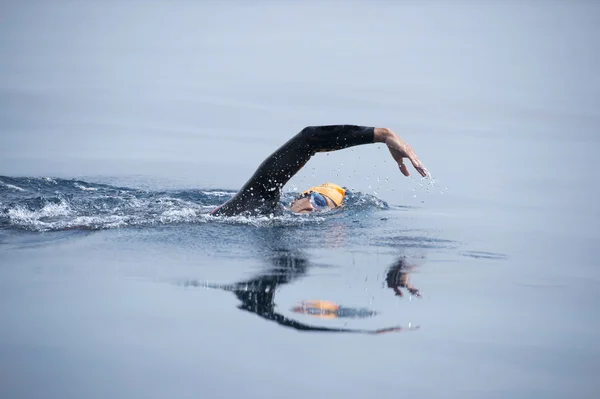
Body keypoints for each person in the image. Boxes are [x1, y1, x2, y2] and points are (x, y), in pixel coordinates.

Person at [210, 125, 428, 216]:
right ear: (299, 197)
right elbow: (308, 139)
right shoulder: (257, 201)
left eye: (325, 209)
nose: (315, 210)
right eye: (319, 201)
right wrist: (382, 135)